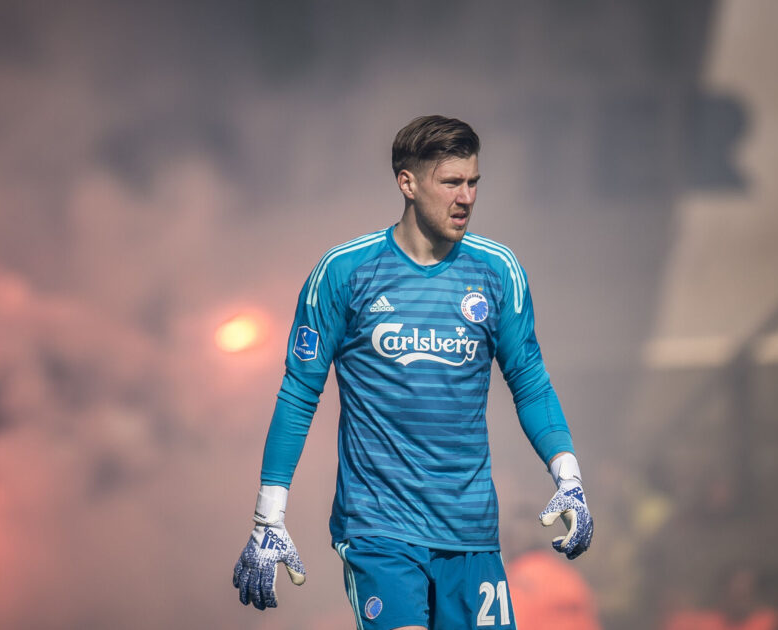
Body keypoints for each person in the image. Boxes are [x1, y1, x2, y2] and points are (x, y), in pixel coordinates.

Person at [232, 115, 594, 630]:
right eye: (451, 182)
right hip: (380, 530)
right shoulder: (345, 272)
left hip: (471, 533)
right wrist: (268, 516)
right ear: (407, 183)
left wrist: (569, 477)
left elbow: (531, 383)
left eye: (473, 183)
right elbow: (298, 394)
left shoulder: (498, 271)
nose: (466, 198)